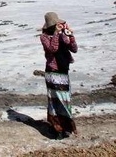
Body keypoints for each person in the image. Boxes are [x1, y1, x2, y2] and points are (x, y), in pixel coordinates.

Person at [40, 11, 78, 139]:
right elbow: (52, 49)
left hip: (63, 72)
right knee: (55, 100)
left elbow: (74, 49)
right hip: (53, 72)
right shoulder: (44, 37)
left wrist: (70, 35)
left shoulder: (62, 34)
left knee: (64, 100)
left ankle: (66, 127)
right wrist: (56, 34)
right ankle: (57, 128)